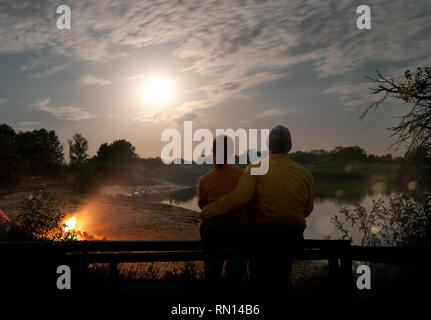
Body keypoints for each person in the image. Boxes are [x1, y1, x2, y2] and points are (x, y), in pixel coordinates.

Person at [200, 125, 314, 298]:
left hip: (263, 237)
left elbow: (239, 199)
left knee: (257, 275)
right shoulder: (305, 174)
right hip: (293, 238)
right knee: (283, 274)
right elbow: (307, 209)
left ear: (268, 144)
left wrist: (209, 210)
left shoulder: (256, 169)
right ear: (290, 146)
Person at [198, 135, 250, 283]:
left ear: (212, 152)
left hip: (213, 234)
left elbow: (202, 206)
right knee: (236, 274)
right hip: (237, 234)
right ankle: (235, 277)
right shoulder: (243, 175)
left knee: (212, 271)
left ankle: (212, 274)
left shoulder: (205, 179)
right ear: (232, 153)